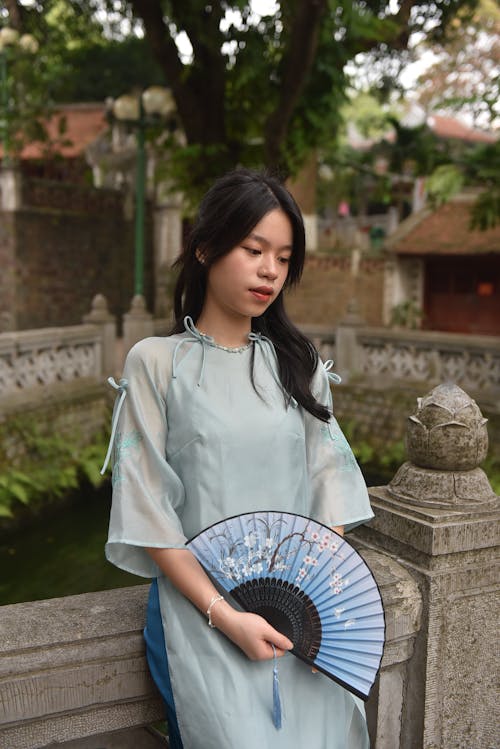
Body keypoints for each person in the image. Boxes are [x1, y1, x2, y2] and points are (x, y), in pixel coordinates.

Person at [103, 168, 374, 748]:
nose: (270, 270)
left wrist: (307, 595)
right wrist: (226, 615)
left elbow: (329, 487)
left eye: (282, 256)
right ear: (205, 247)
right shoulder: (156, 363)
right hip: (198, 613)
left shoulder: (298, 366)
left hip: (299, 618)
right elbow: (150, 510)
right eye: (253, 249)